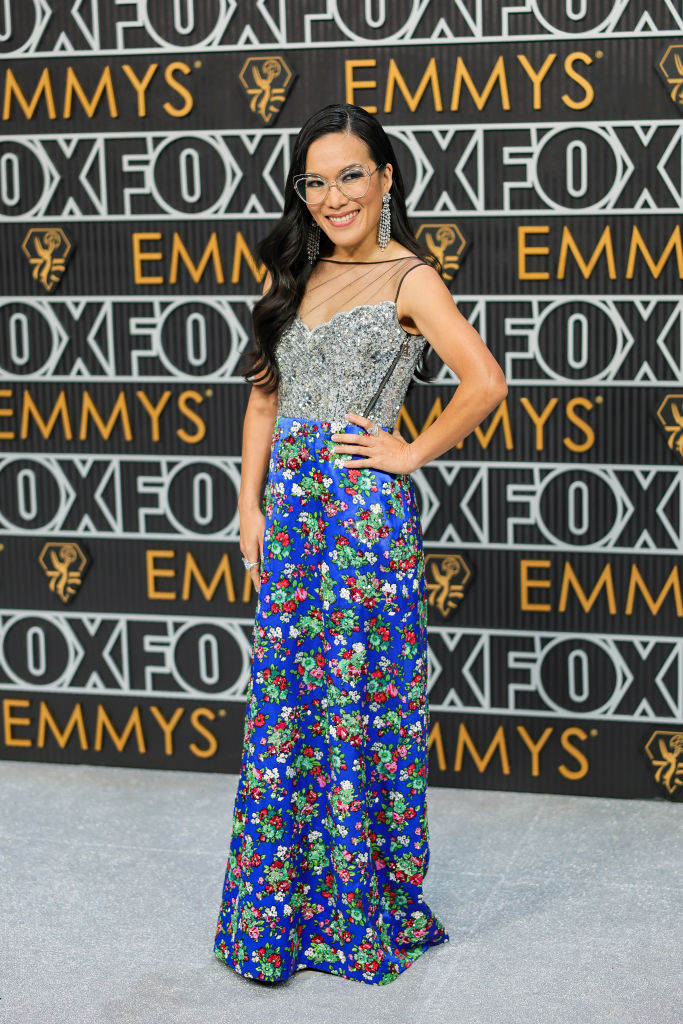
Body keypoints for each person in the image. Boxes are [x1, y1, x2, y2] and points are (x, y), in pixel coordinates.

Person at [213, 102, 508, 986]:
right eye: (315, 181)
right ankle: (281, 915)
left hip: (358, 521)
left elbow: (484, 382)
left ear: (385, 178)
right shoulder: (292, 272)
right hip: (289, 519)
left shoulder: (411, 278)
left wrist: (408, 452)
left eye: (350, 175)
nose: (333, 196)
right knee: (288, 709)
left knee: (358, 706)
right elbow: (263, 398)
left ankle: (357, 908)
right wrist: (248, 505)